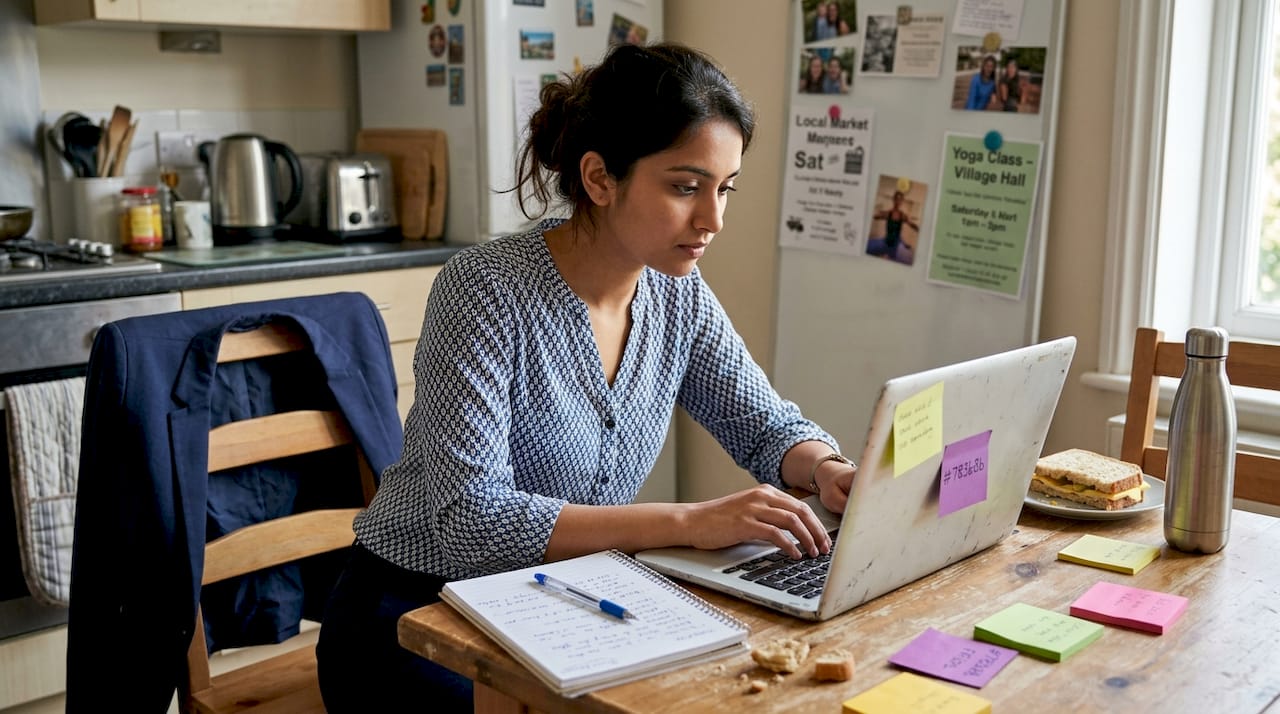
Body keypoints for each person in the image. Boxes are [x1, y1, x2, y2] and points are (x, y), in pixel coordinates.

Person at [315, 42, 858, 713]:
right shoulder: (484, 289)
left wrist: (823, 467)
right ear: (599, 178)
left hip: (562, 605)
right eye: (685, 187)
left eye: (724, 189)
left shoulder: (674, 292)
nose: (713, 220)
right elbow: (470, 523)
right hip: (414, 616)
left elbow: (764, 425)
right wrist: (688, 521)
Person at [867, 190, 919, 262]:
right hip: (886, 242)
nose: (898, 201)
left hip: (895, 245)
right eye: (896, 199)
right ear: (893, 199)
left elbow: (912, 225)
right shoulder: (888, 213)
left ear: (902, 201)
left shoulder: (902, 216)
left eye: (900, 199)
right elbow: (876, 217)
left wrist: (919, 229)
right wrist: (877, 213)